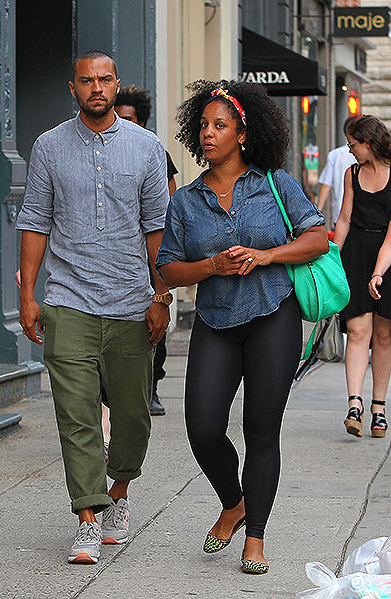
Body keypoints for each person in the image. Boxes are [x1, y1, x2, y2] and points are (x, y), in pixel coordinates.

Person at [156, 80, 327, 574]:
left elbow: (317, 237)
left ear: (243, 134)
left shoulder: (274, 183)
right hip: (216, 320)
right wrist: (212, 267)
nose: (208, 134)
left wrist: (268, 255)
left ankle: (255, 540)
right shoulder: (186, 201)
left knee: (261, 429)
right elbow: (167, 268)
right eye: (203, 126)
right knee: (203, 426)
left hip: (275, 314)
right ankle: (234, 502)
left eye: (219, 126)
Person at [16, 51, 170, 565]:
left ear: (117, 84)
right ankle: (87, 517)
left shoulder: (147, 148)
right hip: (68, 300)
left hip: (130, 301)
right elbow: (36, 220)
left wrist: (160, 295)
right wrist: (28, 294)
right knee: (76, 416)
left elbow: (157, 232)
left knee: (132, 416)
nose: (97, 88)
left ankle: (118, 497)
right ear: (73, 87)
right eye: (87, 81)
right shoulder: (49, 147)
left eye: (105, 80)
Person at [114, 84, 178, 416]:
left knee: (155, 318)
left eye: (128, 118)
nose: (121, 123)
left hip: (150, 252)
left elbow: (170, 207)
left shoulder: (154, 154)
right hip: (115, 254)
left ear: (141, 122)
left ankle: (151, 387)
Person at [334, 114, 391, 440]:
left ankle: (378, 407)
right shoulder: (351, 173)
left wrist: (378, 272)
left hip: (387, 254)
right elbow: (343, 219)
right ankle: (354, 404)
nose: (350, 149)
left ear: (368, 143)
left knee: (383, 336)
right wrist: (331, 260)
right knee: (357, 330)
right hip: (355, 251)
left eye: (353, 144)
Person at [317, 116, 358, 228]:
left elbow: (326, 185)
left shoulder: (336, 154)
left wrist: (318, 211)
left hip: (340, 214)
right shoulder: (369, 156)